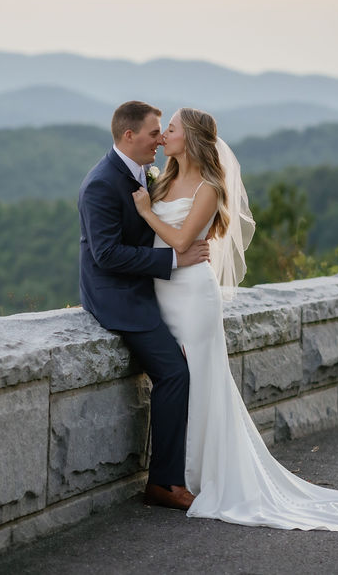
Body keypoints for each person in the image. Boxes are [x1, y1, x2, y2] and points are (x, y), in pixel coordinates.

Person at [131, 107, 338, 529]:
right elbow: (166, 245)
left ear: (188, 137)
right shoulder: (163, 178)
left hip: (193, 295)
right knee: (182, 377)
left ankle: (197, 477)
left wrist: (148, 213)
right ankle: (179, 473)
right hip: (163, 293)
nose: (162, 136)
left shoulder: (209, 186)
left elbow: (183, 239)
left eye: (169, 129)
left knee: (202, 376)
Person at [78, 100, 211, 511]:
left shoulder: (146, 174)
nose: (160, 139)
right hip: (119, 298)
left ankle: (176, 473)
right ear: (129, 135)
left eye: (164, 131)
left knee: (182, 370)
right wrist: (174, 259)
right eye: (155, 132)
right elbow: (107, 256)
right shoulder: (101, 182)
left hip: (154, 291)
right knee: (174, 373)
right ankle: (164, 483)